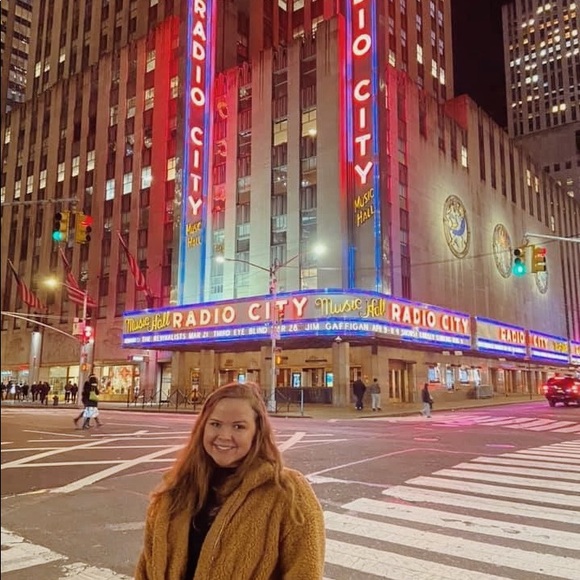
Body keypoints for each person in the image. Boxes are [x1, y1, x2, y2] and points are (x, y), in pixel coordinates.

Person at [135, 382, 325, 580]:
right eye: (215, 424)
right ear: (202, 427)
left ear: (257, 432)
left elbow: (306, 572)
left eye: (238, 426)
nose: (225, 436)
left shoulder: (287, 492)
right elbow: (147, 566)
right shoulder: (176, 488)